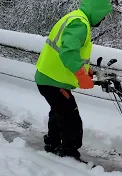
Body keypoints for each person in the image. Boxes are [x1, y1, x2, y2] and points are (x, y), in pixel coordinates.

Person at [34, 0, 113, 162]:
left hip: (50, 77)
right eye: (102, 16)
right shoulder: (80, 24)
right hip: (53, 80)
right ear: (96, 11)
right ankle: (69, 153)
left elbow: (74, 53)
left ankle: (53, 144)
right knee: (71, 117)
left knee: (59, 112)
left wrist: (86, 70)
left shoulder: (76, 17)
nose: (102, 20)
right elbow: (68, 52)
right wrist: (81, 76)